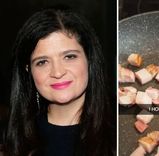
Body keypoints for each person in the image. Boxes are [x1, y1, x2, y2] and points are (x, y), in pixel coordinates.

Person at [4, 7, 116, 156]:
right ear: (28, 70)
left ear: (89, 59)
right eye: (42, 62)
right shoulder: (14, 137)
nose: (57, 72)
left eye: (69, 57)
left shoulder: (120, 127)